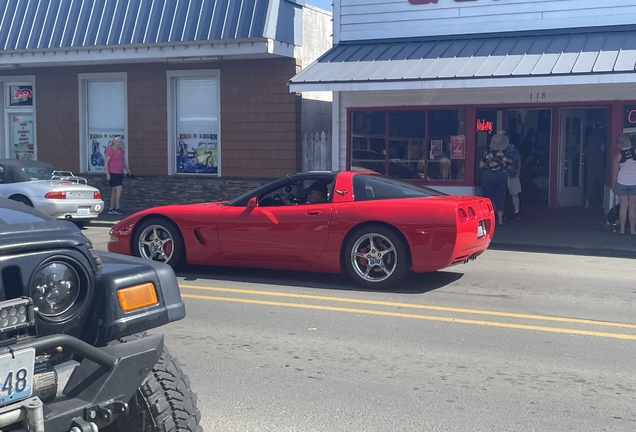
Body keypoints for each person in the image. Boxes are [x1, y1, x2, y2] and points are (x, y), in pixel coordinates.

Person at [480, 131, 513, 226]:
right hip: (501, 176)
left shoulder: (486, 153)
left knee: (487, 198)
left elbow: (481, 165)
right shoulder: (506, 154)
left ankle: (488, 220)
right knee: (500, 197)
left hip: (488, 176)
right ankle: (500, 220)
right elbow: (510, 167)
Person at [610, 133, 636, 234]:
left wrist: (613, 185)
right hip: (634, 182)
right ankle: (633, 230)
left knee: (623, 206)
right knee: (633, 207)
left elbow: (614, 174)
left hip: (622, 182)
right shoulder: (635, 151)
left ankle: (622, 230)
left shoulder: (618, 156)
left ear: (620, 144)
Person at [104, 136, 131, 215]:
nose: (120, 142)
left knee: (114, 191)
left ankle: (111, 208)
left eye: (120, 141)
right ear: (114, 142)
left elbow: (123, 161)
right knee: (119, 189)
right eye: (119, 141)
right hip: (113, 172)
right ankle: (117, 207)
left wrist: (128, 169)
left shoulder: (122, 150)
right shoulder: (110, 150)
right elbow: (106, 162)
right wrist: (107, 173)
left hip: (120, 172)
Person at [584, 122, 607, 209]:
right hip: (599, 161)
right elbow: (602, 149)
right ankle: (603, 202)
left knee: (590, 182)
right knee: (602, 182)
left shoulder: (589, 137)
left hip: (590, 161)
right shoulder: (602, 136)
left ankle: (587, 202)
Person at [504, 137, 523, 220]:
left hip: (512, 173)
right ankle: (500, 213)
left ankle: (516, 211)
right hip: (501, 174)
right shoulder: (494, 148)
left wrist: (518, 170)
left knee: (515, 194)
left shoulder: (512, 147)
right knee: (500, 195)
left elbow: (518, 159)